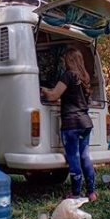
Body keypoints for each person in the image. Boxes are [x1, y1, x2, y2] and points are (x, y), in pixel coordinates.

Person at [41, 47, 97, 201]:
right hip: (85, 123)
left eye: (65, 59)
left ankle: (76, 193)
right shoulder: (84, 77)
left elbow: (53, 95)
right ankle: (91, 193)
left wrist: (43, 89)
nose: (63, 62)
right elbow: (74, 99)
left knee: (73, 158)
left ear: (69, 60)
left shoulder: (68, 75)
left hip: (71, 124)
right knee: (85, 157)